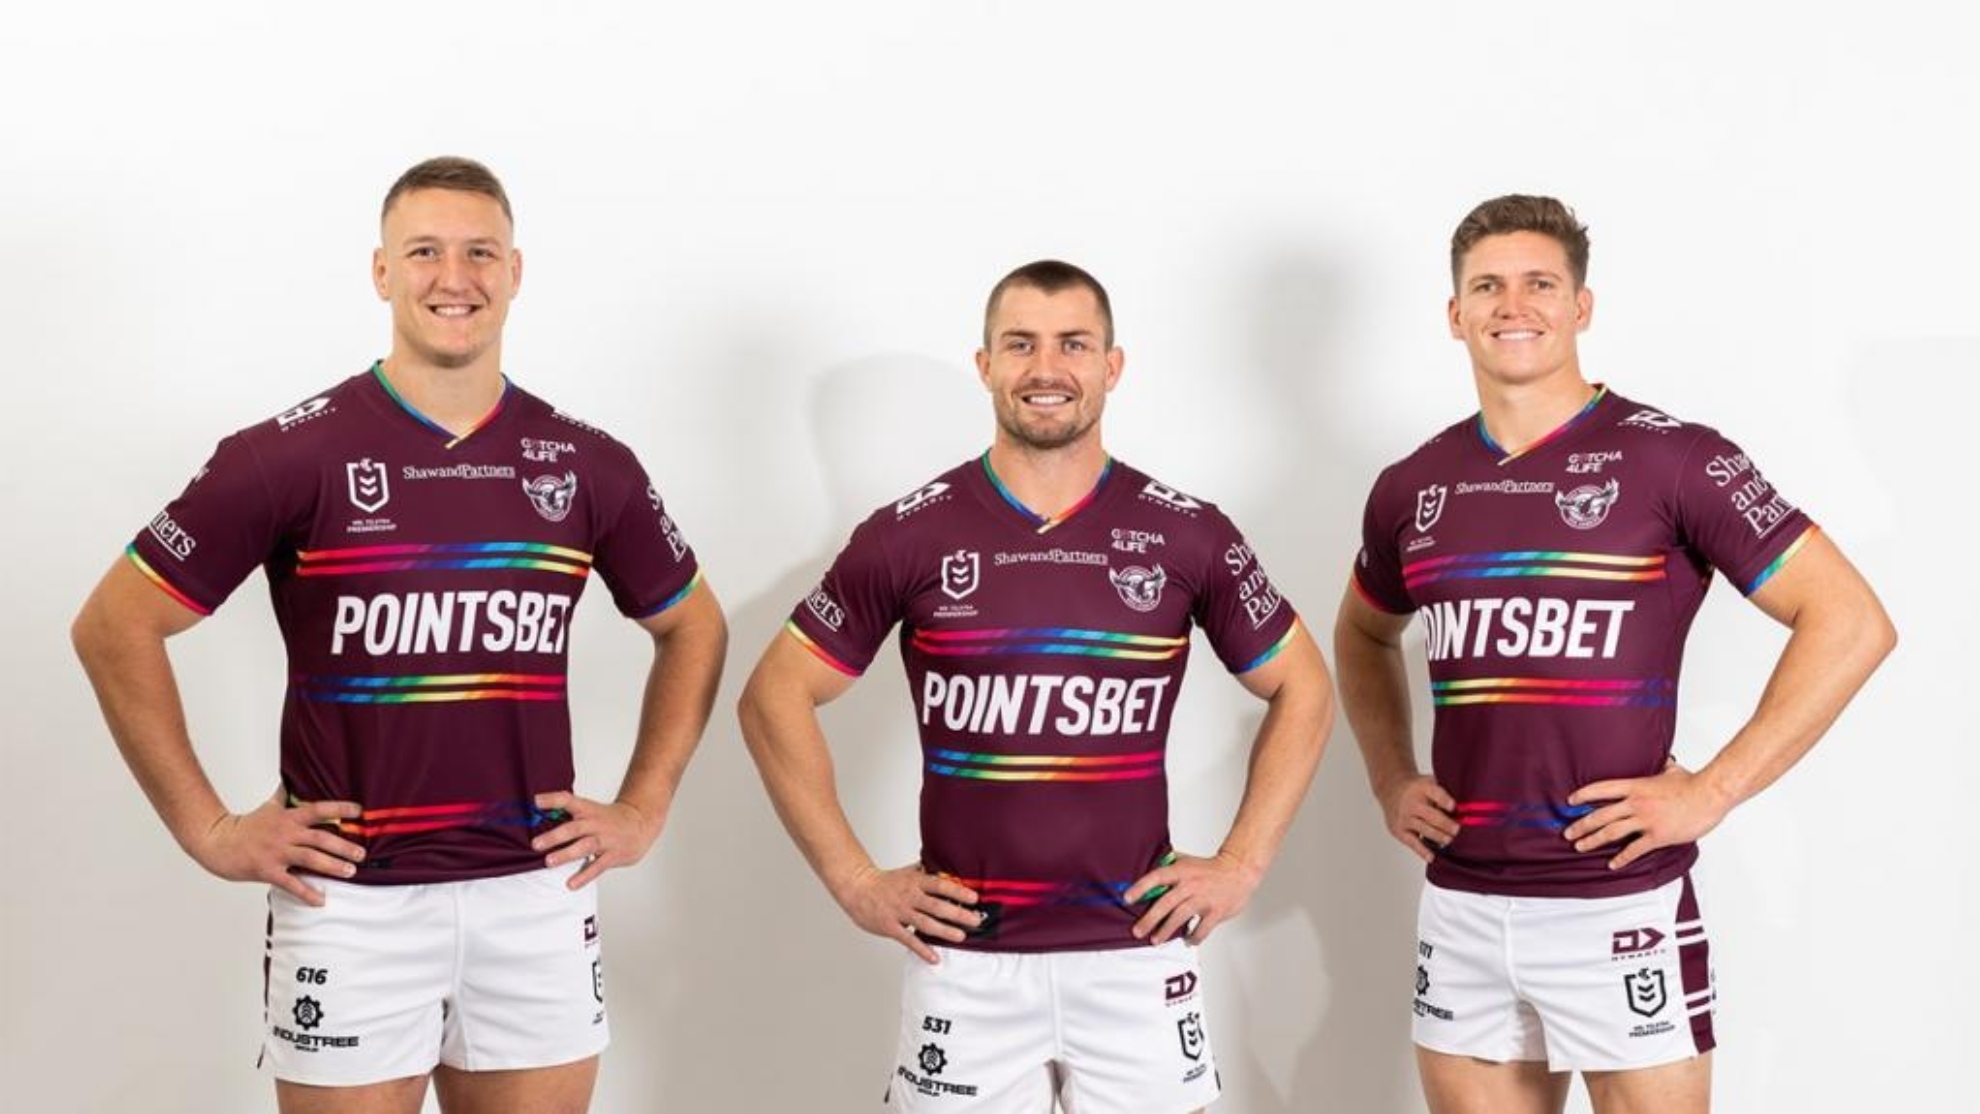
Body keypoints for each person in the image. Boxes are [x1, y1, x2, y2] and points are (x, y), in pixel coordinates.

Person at [70, 156, 727, 1114]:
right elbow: (115, 624)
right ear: (381, 271)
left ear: (515, 271)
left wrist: (644, 805)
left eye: (479, 253)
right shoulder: (288, 454)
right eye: (424, 251)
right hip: (351, 903)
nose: (452, 278)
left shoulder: (588, 463)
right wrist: (208, 829)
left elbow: (693, 624)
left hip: (534, 894)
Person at [1334, 194, 1895, 1114]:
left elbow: (1850, 619)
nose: (1513, 305)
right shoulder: (1414, 485)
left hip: (1619, 898)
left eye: (1540, 284)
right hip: (1464, 901)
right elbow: (1362, 630)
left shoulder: (1674, 460)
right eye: (1488, 287)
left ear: (1580, 307)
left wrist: (1711, 789)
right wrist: (1391, 773)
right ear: (1455, 314)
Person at [738, 259, 1333, 1112]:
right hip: (967, 963)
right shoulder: (909, 534)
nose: (1046, 369)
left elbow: (1303, 686)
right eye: (1020, 344)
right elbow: (773, 698)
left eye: (1072, 345)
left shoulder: (1184, 532)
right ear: (985, 365)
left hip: (1135, 951)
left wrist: (1241, 863)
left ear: (1111, 366)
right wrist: (854, 878)